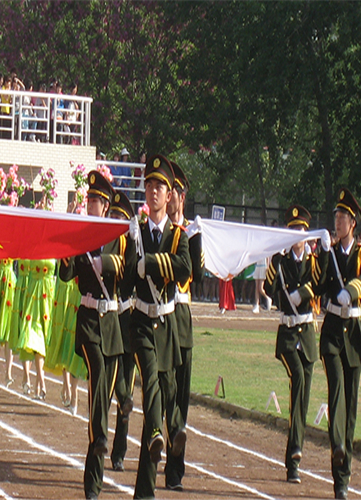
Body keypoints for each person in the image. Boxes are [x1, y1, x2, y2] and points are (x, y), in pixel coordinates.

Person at [59, 172, 134, 500]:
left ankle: (94, 481)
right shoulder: (79, 235)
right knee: (99, 378)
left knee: (103, 394)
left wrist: (105, 261)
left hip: (113, 325)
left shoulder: (119, 237)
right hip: (88, 320)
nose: (91, 205)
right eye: (88, 200)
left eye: (96, 201)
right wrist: (64, 249)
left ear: (106, 207)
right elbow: (65, 275)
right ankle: (101, 436)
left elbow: (129, 273)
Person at [127, 155, 191, 499]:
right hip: (141, 321)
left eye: (160, 187)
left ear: (170, 196)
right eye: (149, 185)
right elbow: (126, 271)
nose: (153, 191)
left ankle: (145, 490)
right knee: (150, 381)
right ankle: (158, 432)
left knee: (167, 392)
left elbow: (184, 267)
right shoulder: (134, 230)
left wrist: (148, 263)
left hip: (167, 323)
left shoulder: (178, 235)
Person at [315, 188, 361, 500]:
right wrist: (321, 255)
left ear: (353, 223)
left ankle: (342, 480)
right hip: (332, 332)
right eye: (335, 217)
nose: (337, 222)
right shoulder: (331, 252)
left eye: (342, 218)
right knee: (336, 390)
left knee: (350, 409)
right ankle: (337, 446)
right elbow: (320, 281)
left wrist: (350, 290)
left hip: (354, 333)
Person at [264, 204, 319, 484]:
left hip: (307, 334)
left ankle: (293, 457)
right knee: (297, 377)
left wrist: (303, 292)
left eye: (301, 230)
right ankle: (295, 452)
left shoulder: (315, 261)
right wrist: (273, 263)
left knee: (303, 398)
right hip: (287, 335)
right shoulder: (281, 261)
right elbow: (269, 290)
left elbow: (320, 285)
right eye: (293, 230)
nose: (298, 234)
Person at [163, 162, 203, 491]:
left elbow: (198, 279)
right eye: (168, 191)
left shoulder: (191, 232)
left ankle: (176, 469)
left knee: (183, 395)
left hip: (183, 316)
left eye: (175, 191)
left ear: (182, 196)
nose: (171, 196)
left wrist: (196, 242)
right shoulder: (160, 232)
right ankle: (169, 439)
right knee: (167, 391)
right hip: (161, 315)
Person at [108, 192, 136, 472]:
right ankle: (103, 442)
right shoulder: (104, 241)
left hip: (127, 320)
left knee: (125, 388)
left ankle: (119, 451)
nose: (115, 221)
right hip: (108, 320)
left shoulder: (130, 244)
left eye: (120, 217)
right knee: (115, 387)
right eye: (112, 216)